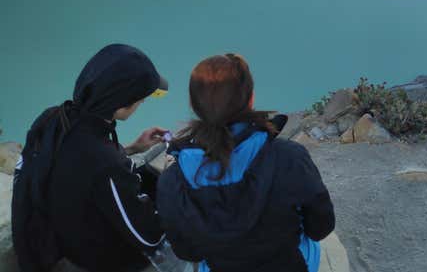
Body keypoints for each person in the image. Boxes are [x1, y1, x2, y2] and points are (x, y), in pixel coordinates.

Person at [157, 53, 335, 272]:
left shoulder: (173, 180)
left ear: (195, 106)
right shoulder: (290, 157)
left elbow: (187, 251)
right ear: (250, 99)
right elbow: (320, 227)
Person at [12, 44, 170, 272]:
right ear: (123, 105)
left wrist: (132, 148)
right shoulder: (105, 163)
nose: (142, 104)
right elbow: (149, 238)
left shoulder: (53, 118)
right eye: (142, 99)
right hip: (93, 257)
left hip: (56, 233)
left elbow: (80, 163)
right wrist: (174, 183)